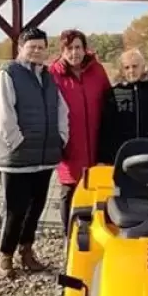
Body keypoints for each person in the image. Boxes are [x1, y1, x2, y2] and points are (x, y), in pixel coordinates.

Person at [0, 26, 69, 278]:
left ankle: (26, 251)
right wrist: (16, 142)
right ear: (21, 48)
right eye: (32, 46)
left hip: (44, 158)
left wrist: (61, 137)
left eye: (41, 47)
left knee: (36, 209)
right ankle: (5, 255)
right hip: (19, 158)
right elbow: (2, 114)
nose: (37, 51)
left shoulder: (48, 77)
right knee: (16, 209)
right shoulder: (8, 74)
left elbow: (61, 110)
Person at [48, 28, 111, 233]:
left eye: (78, 47)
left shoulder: (97, 71)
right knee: (69, 190)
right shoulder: (53, 74)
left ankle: (93, 233)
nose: (74, 53)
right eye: (69, 48)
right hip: (70, 143)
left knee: (96, 190)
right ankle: (69, 234)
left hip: (96, 141)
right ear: (62, 51)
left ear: (85, 49)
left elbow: (110, 100)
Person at [96, 48, 148, 164]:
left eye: (135, 66)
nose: (131, 71)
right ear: (121, 70)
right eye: (127, 67)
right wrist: (103, 158)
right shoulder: (114, 92)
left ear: (143, 67)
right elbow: (107, 128)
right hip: (122, 153)